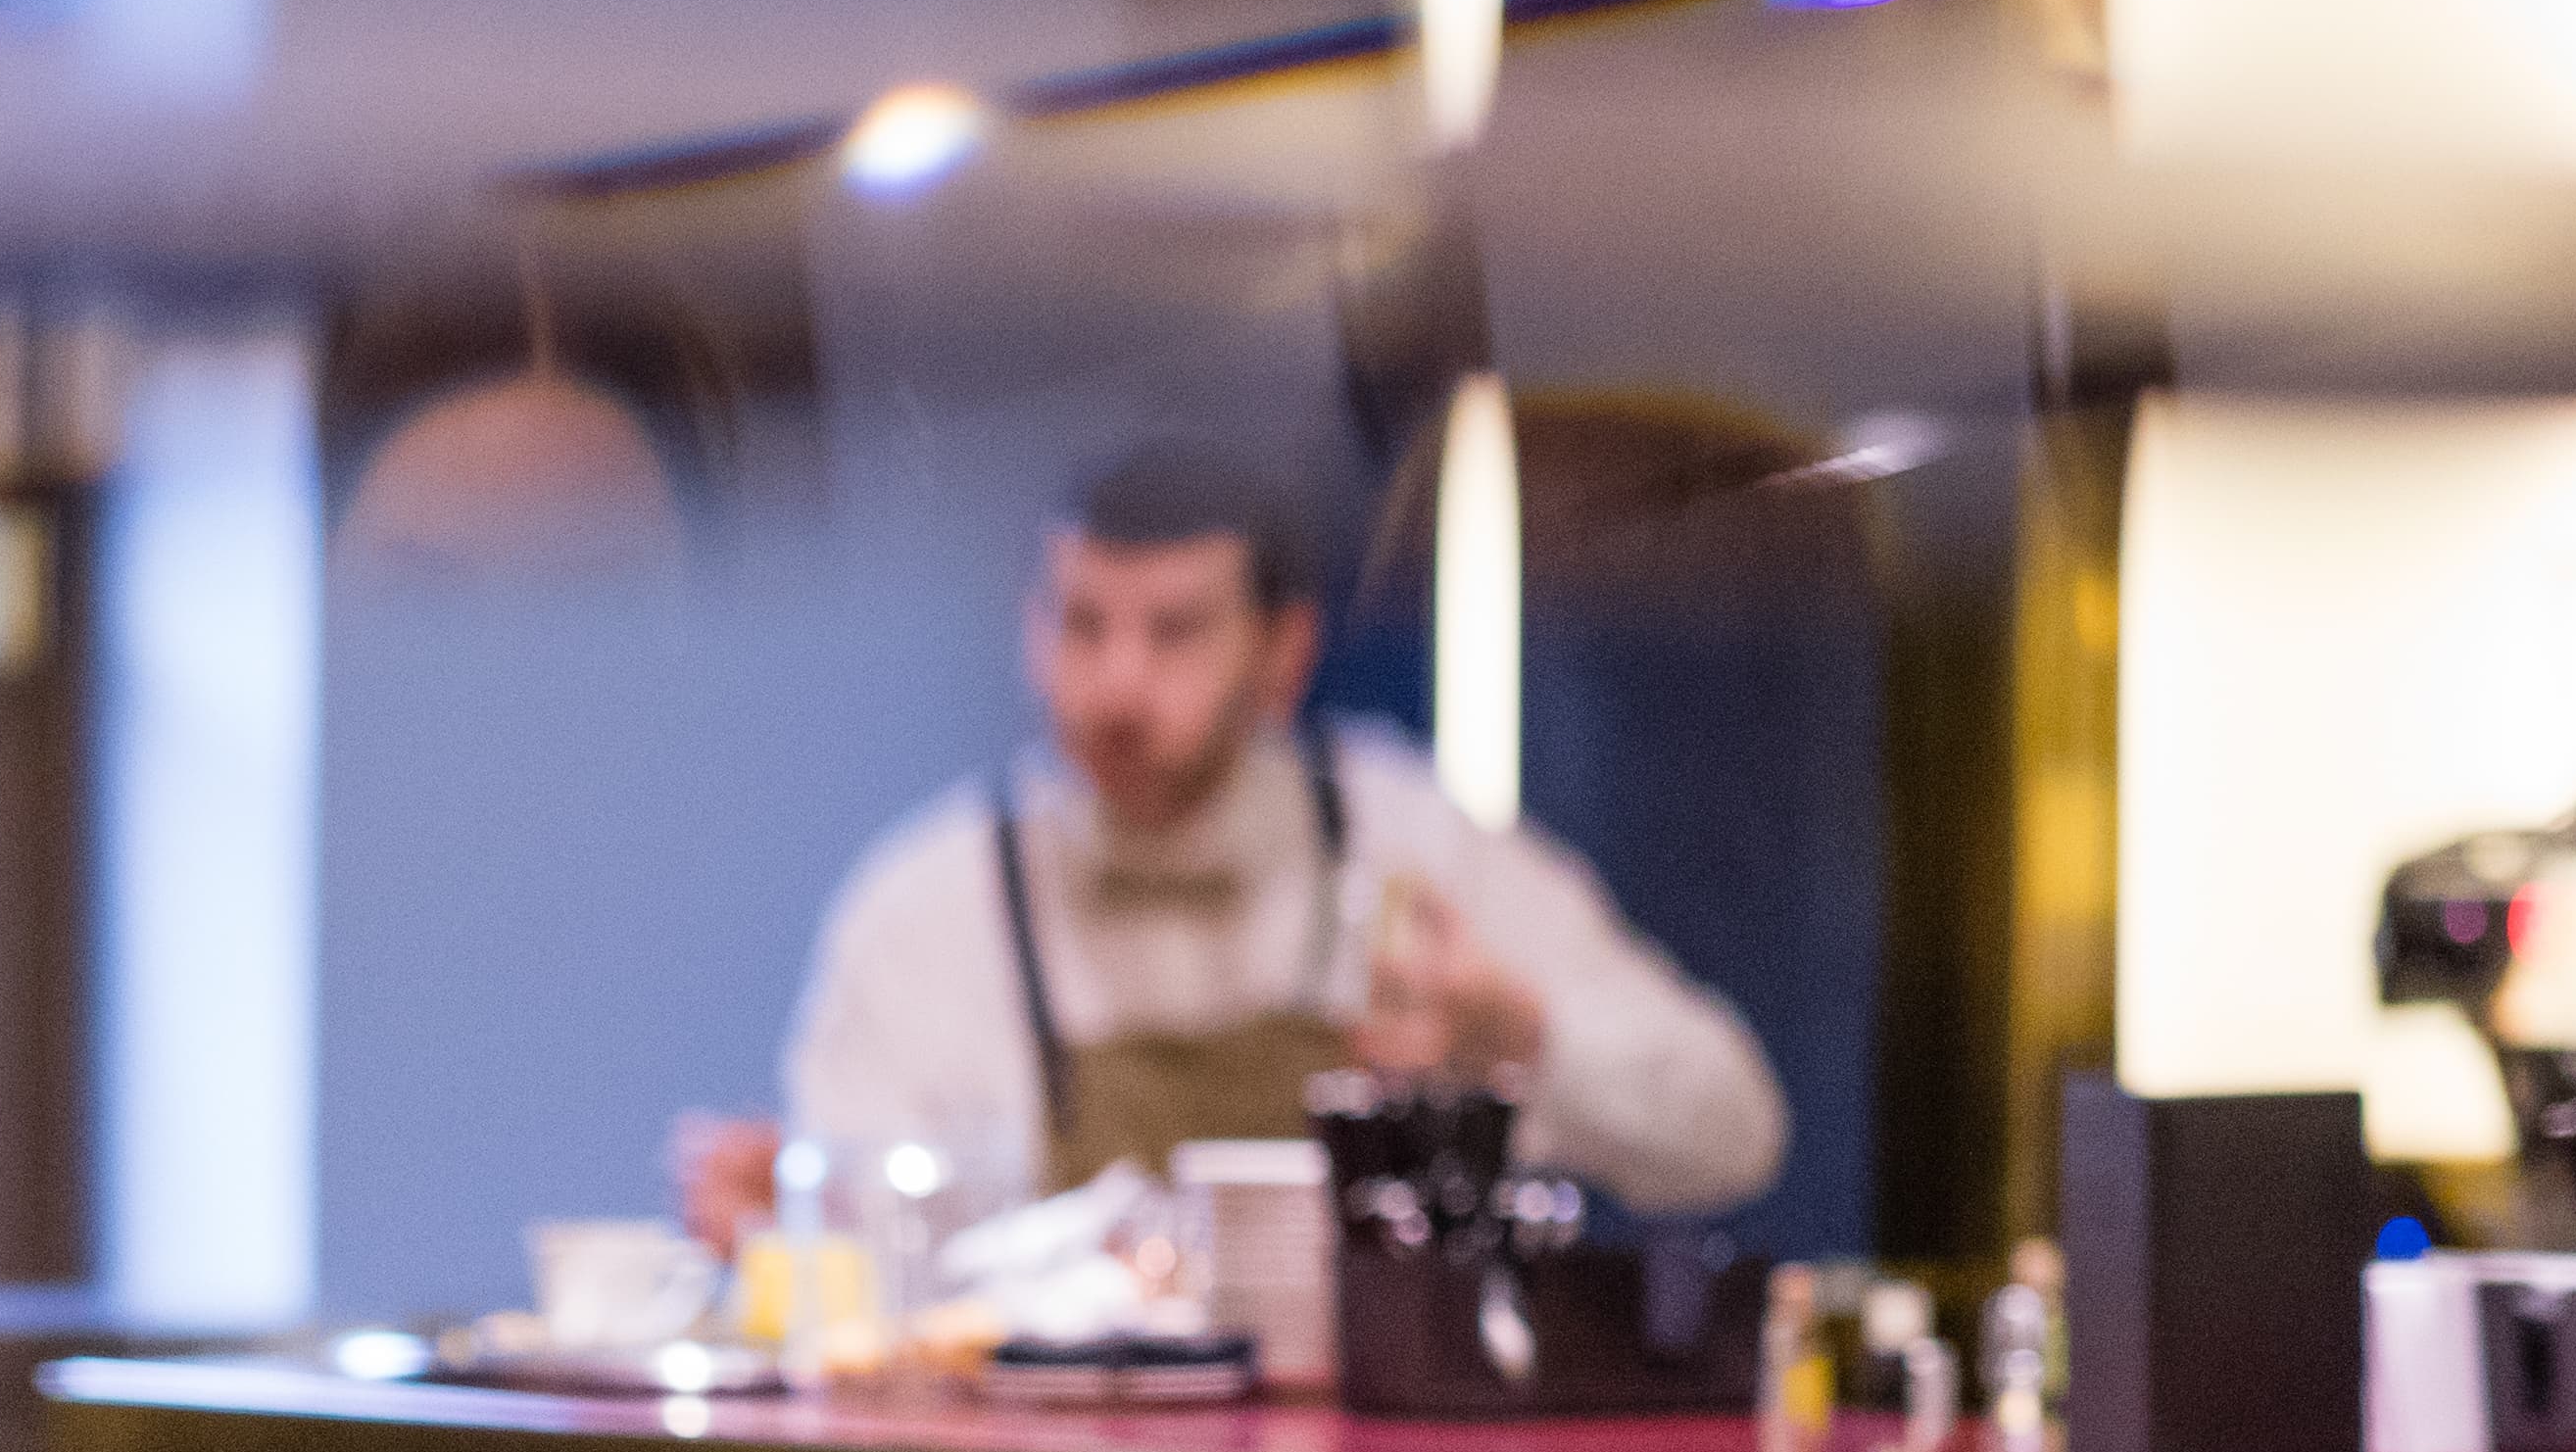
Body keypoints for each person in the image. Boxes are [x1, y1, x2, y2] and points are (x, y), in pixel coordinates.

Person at [690, 432, 1785, 1236]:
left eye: (1173, 632)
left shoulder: (1415, 846)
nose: (1117, 685)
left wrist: (1520, 1035)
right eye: (1082, 625)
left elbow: (1736, 1134)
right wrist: (782, 1219)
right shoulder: (928, 906)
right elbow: (872, 1277)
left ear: (1284, 653)